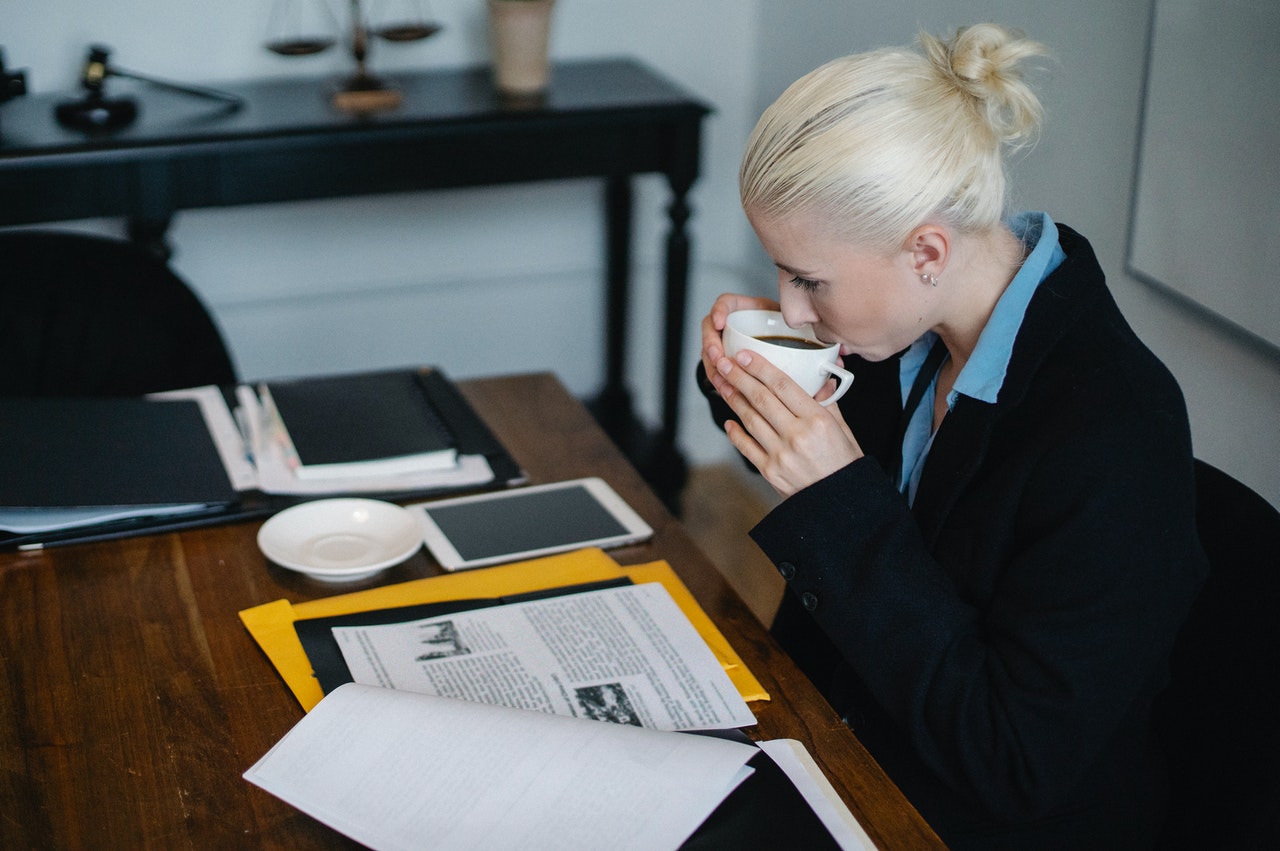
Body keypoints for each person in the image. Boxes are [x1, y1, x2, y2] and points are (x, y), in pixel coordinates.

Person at [697, 23, 1208, 850]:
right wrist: (739, 357)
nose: (791, 309)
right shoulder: (902, 330)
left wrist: (840, 502)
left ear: (927, 249)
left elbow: (1015, 760)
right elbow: (816, 427)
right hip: (834, 750)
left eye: (807, 279)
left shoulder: (1116, 431)